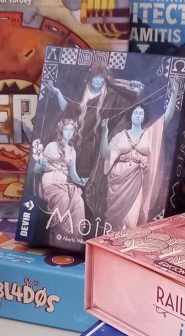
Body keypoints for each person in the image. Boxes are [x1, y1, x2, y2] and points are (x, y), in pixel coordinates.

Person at [42, 62, 143, 224]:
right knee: (70, 185)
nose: (97, 80)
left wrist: (138, 93)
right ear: (89, 77)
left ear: (105, 79)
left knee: (90, 186)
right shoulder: (82, 94)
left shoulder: (111, 96)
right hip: (77, 147)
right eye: (95, 76)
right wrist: (58, 93)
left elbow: (129, 108)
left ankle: (85, 220)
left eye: (101, 77)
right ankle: (67, 218)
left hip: (95, 151)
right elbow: (69, 111)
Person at [100, 80, 180, 231]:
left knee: (132, 216)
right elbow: (105, 154)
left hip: (137, 178)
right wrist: (104, 132)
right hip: (117, 180)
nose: (138, 115)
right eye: (135, 113)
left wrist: (174, 94)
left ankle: (125, 242)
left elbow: (167, 118)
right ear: (130, 116)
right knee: (114, 219)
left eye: (141, 113)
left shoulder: (149, 133)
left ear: (144, 117)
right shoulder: (120, 136)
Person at [33, 119, 87, 241]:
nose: (69, 132)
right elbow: (36, 169)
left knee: (79, 202)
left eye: (71, 130)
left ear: (74, 132)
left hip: (64, 184)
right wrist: (42, 164)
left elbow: (73, 173)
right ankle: (58, 236)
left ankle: (72, 240)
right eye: (66, 129)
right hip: (49, 184)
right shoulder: (52, 146)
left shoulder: (72, 151)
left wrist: (81, 181)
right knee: (64, 199)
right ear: (61, 130)